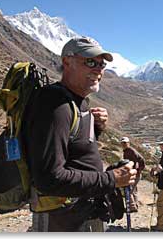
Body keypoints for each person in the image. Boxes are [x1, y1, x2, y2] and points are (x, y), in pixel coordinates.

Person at [21, 37, 137, 232]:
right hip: (62, 220)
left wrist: (95, 129)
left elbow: (74, 151)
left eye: (102, 64)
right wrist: (111, 179)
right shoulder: (54, 104)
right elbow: (49, 179)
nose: (98, 69)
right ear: (67, 62)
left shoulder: (79, 102)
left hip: (82, 214)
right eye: (90, 61)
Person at [120, 136, 145, 212]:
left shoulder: (131, 151)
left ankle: (132, 207)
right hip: (132, 173)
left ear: (128, 143)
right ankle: (135, 205)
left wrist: (139, 169)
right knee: (133, 190)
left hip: (135, 173)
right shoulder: (126, 151)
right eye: (122, 143)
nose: (124, 144)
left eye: (125, 143)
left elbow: (141, 159)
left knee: (129, 190)